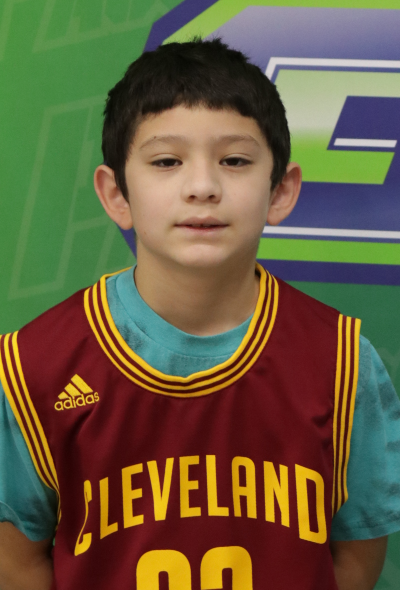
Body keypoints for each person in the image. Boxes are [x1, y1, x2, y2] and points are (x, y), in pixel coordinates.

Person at [0, 38, 399, 590]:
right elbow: (18, 561)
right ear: (116, 194)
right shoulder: (33, 367)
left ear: (280, 191)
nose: (203, 187)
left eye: (234, 161)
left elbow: (355, 558)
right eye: (166, 161)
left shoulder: (343, 362)